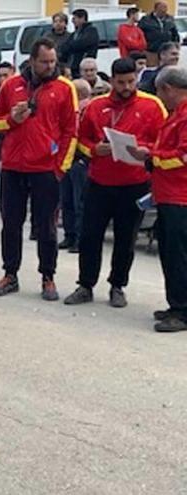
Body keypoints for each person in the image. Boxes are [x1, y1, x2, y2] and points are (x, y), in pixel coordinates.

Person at [62, 58, 165, 309]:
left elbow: (163, 141)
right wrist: (94, 149)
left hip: (135, 183)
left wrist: (146, 150)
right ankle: (85, 284)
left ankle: (118, 285)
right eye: (121, 82)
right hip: (99, 181)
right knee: (90, 236)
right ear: (112, 82)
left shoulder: (152, 105)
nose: (127, 87)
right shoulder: (96, 106)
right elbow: (81, 139)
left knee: (125, 239)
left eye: (131, 81)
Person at [0, 38, 78, 301]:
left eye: (53, 61)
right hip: (14, 166)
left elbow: (71, 131)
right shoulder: (11, 85)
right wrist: (11, 120)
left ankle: (48, 277)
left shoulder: (64, 88)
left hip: (45, 169)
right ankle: (10, 274)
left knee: (47, 227)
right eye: (44, 62)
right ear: (32, 61)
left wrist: (60, 167)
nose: (50, 66)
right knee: (11, 224)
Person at [131, 66, 187, 331]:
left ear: (168, 89)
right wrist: (152, 152)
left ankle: (183, 311)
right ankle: (176, 304)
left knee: (178, 255)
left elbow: (182, 156)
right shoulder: (177, 114)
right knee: (169, 252)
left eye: (160, 93)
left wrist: (153, 158)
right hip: (168, 194)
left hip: (180, 196)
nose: (160, 99)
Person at [58, 78, 93, 254]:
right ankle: (70, 235)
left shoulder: (87, 110)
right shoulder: (74, 110)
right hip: (70, 160)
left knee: (78, 201)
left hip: (80, 160)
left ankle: (77, 237)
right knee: (68, 200)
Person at [139, 1, 180, 66]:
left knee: (166, 70)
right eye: (162, 9)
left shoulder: (170, 19)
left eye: (165, 8)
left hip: (166, 51)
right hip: (151, 51)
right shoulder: (146, 20)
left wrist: (176, 45)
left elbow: (175, 33)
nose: (164, 11)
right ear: (156, 9)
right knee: (152, 69)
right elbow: (139, 33)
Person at [60, 9, 99, 78]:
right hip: (73, 66)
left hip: (85, 66)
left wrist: (71, 46)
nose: (73, 21)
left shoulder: (91, 31)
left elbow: (81, 44)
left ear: (82, 18)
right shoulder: (74, 34)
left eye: (75, 18)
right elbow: (64, 47)